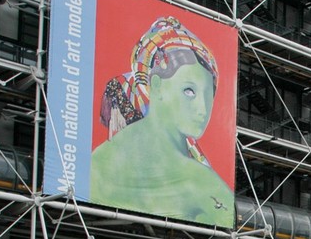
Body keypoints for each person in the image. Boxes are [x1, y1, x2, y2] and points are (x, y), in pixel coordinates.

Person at [90, 16, 231, 226]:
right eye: (189, 91)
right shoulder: (202, 182)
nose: (202, 109)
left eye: (208, 96)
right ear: (156, 86)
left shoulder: (97, 160)